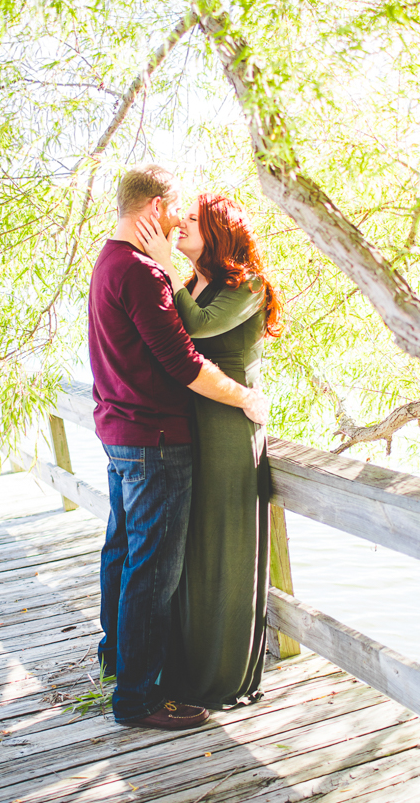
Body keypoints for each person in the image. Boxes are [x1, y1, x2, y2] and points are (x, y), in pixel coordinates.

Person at [89, 164, 269, 730]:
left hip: (123, 433)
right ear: (154, 209)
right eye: (175, 210)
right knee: (152, 571)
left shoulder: (108, 260)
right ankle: (139, 698)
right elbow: (186, 365)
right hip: (156, 440)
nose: (179, 220)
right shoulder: (145, 272)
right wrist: (243, 395)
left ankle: (119, 663)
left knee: (122, 554)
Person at [135, 193, 280, 708]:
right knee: (191, 549)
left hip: (227, 431)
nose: (180, 225)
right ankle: (184, 666)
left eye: (192, 220)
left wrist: (166, 267)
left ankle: (222, 675)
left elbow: (196, 328)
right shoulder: (192, 282)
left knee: (224, 548)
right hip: (189, 423)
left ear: (218, 230)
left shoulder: (248, 285)